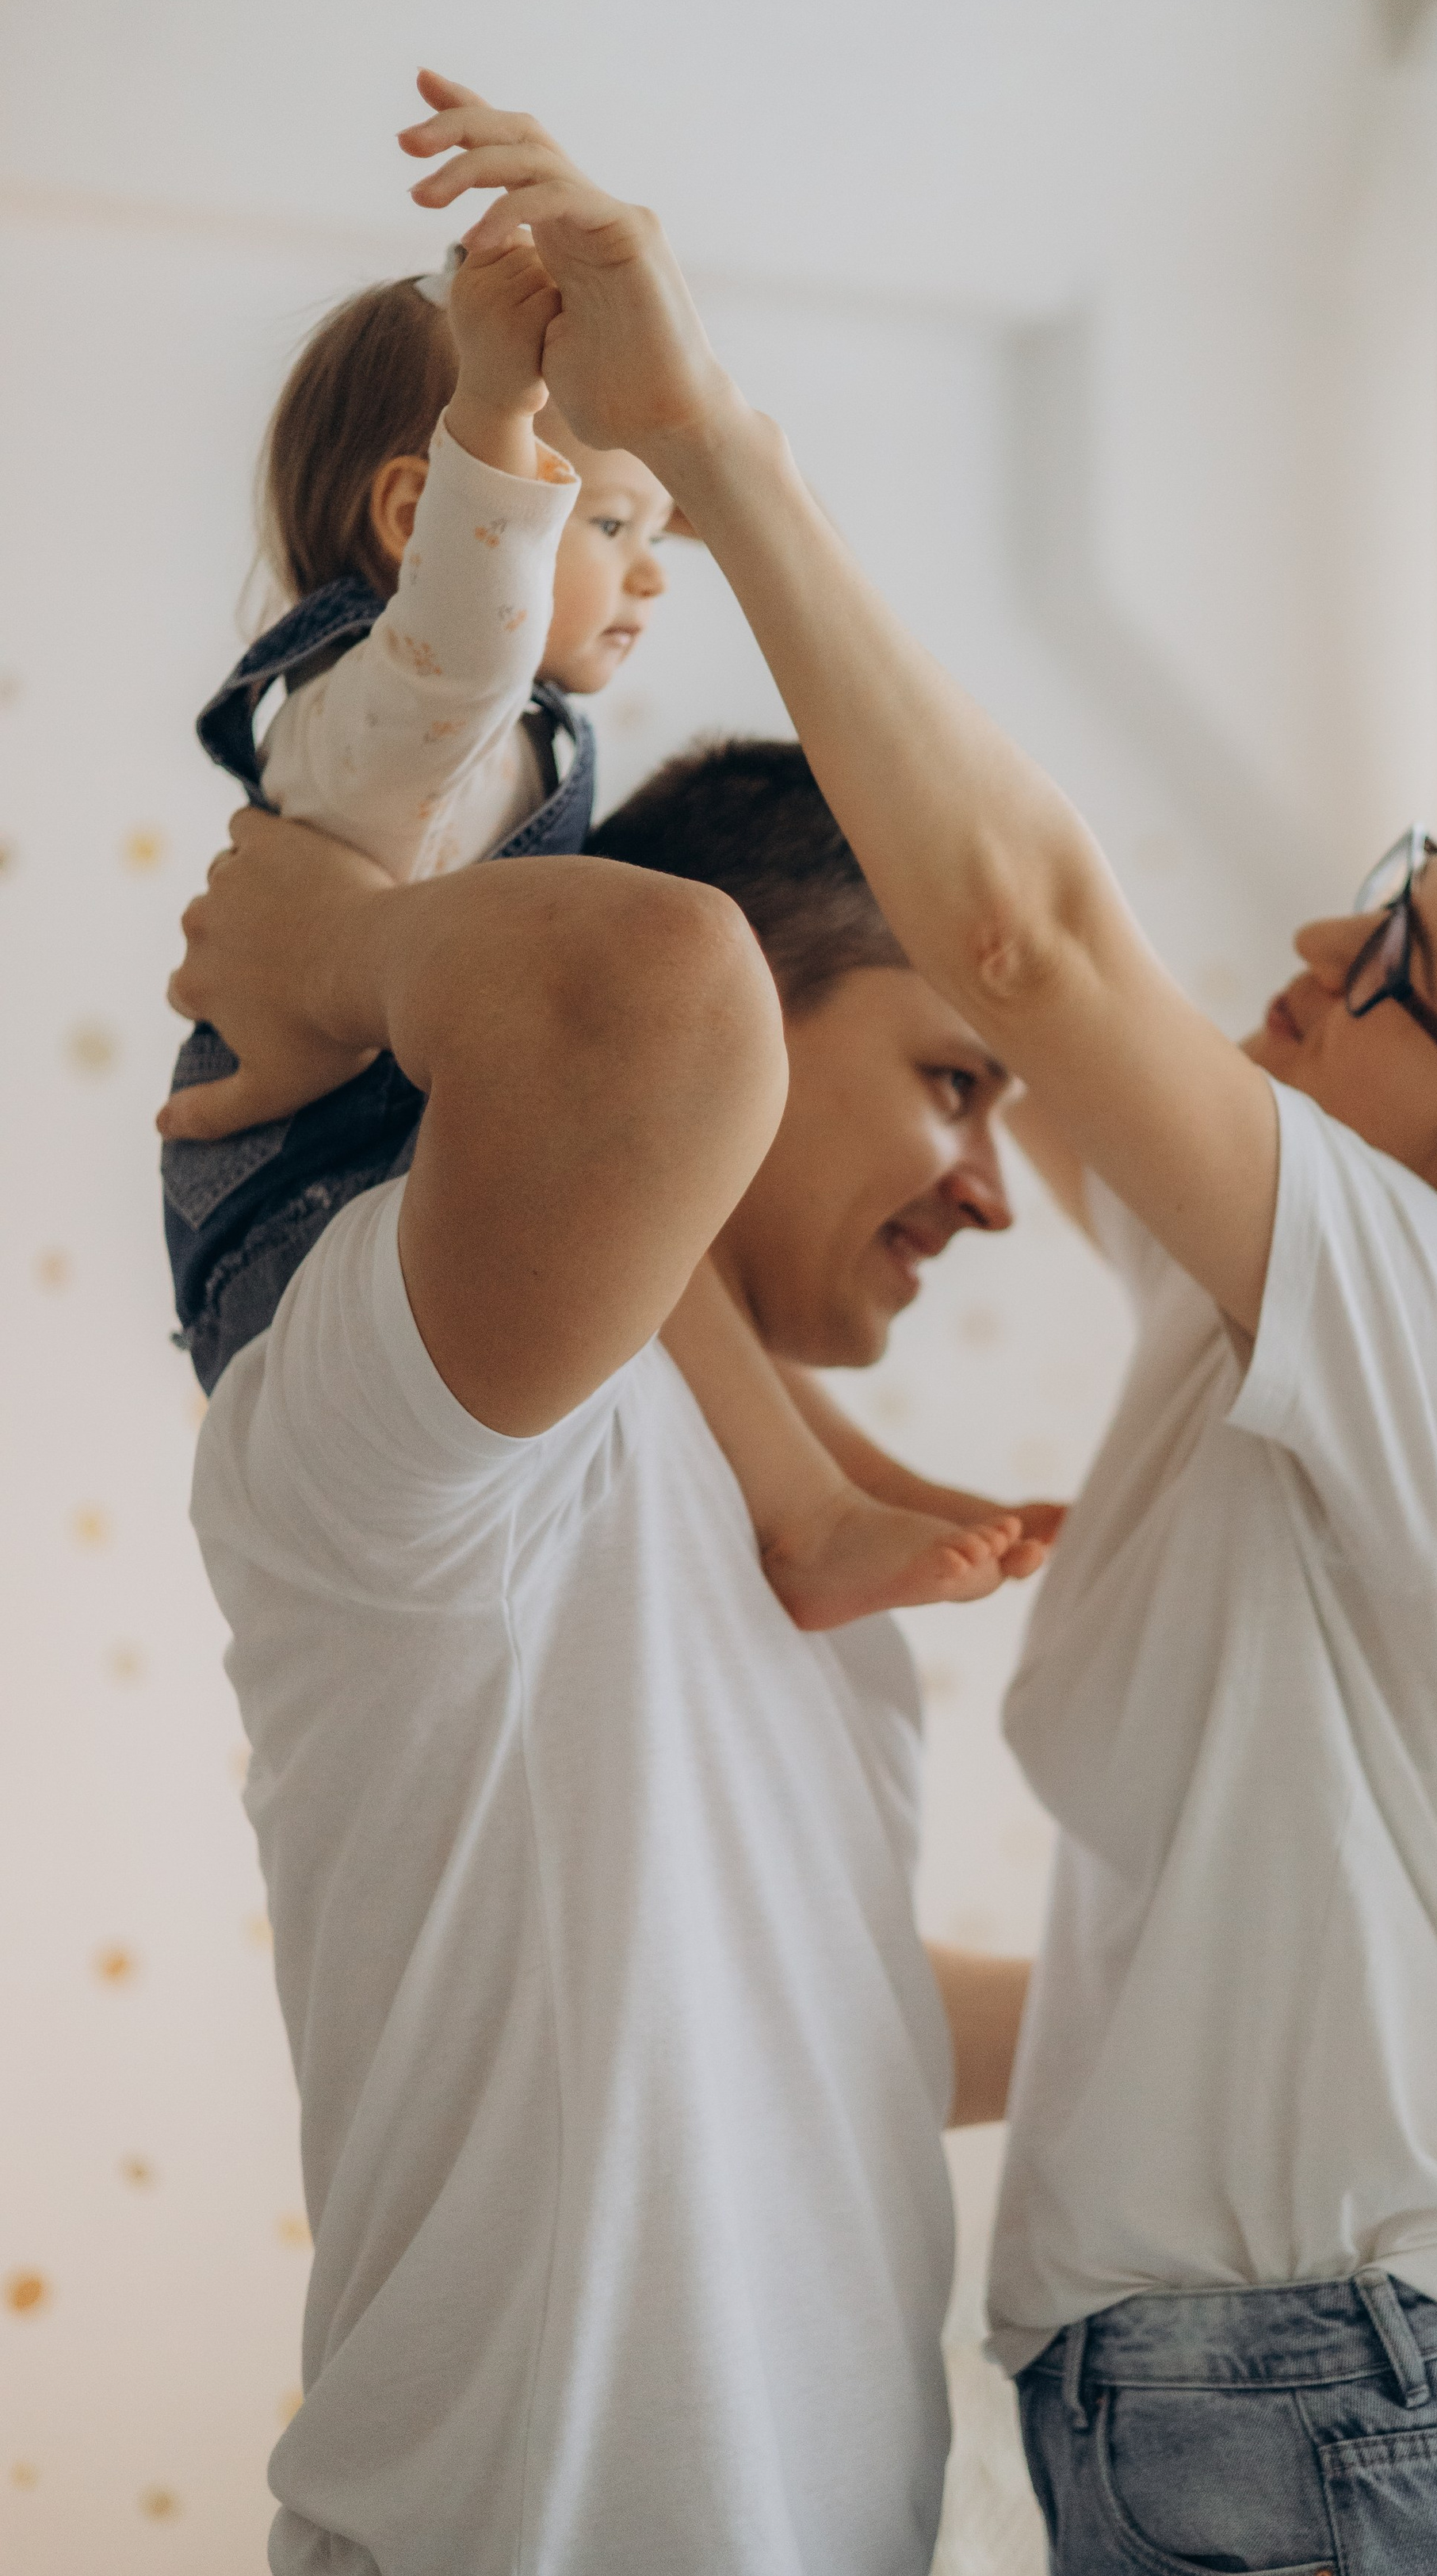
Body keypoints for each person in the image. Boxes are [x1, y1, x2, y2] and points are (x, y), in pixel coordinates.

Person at [394, 73, 1437, 2576]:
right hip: (1301, 2453)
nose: (1311, 935)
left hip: (1343, 2463)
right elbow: (952, 990)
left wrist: (703, 435)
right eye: (1398, 874)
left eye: (1392, 961)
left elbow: (1029, 936)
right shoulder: (1367, 1377)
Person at [161, 727, 1034, 2576]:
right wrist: (343, 948)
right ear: (763, 1000)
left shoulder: (799, 1550)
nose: (991, 1193)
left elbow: (795, 2012)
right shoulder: (439, 1429)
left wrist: (1253, 2041)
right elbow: (634, 1001)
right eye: (950, 1082)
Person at [165, 227, 1050, 1627]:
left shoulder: (467, 720)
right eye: (611, 525)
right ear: (423, 518)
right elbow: (476, 613)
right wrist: (493, 411)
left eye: (651, 532)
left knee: (657, 1236)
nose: (650, 575)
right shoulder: (402, 709)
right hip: (310, 1202)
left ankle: (835, 1489)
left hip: (381, 1159)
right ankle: (816, 1512)